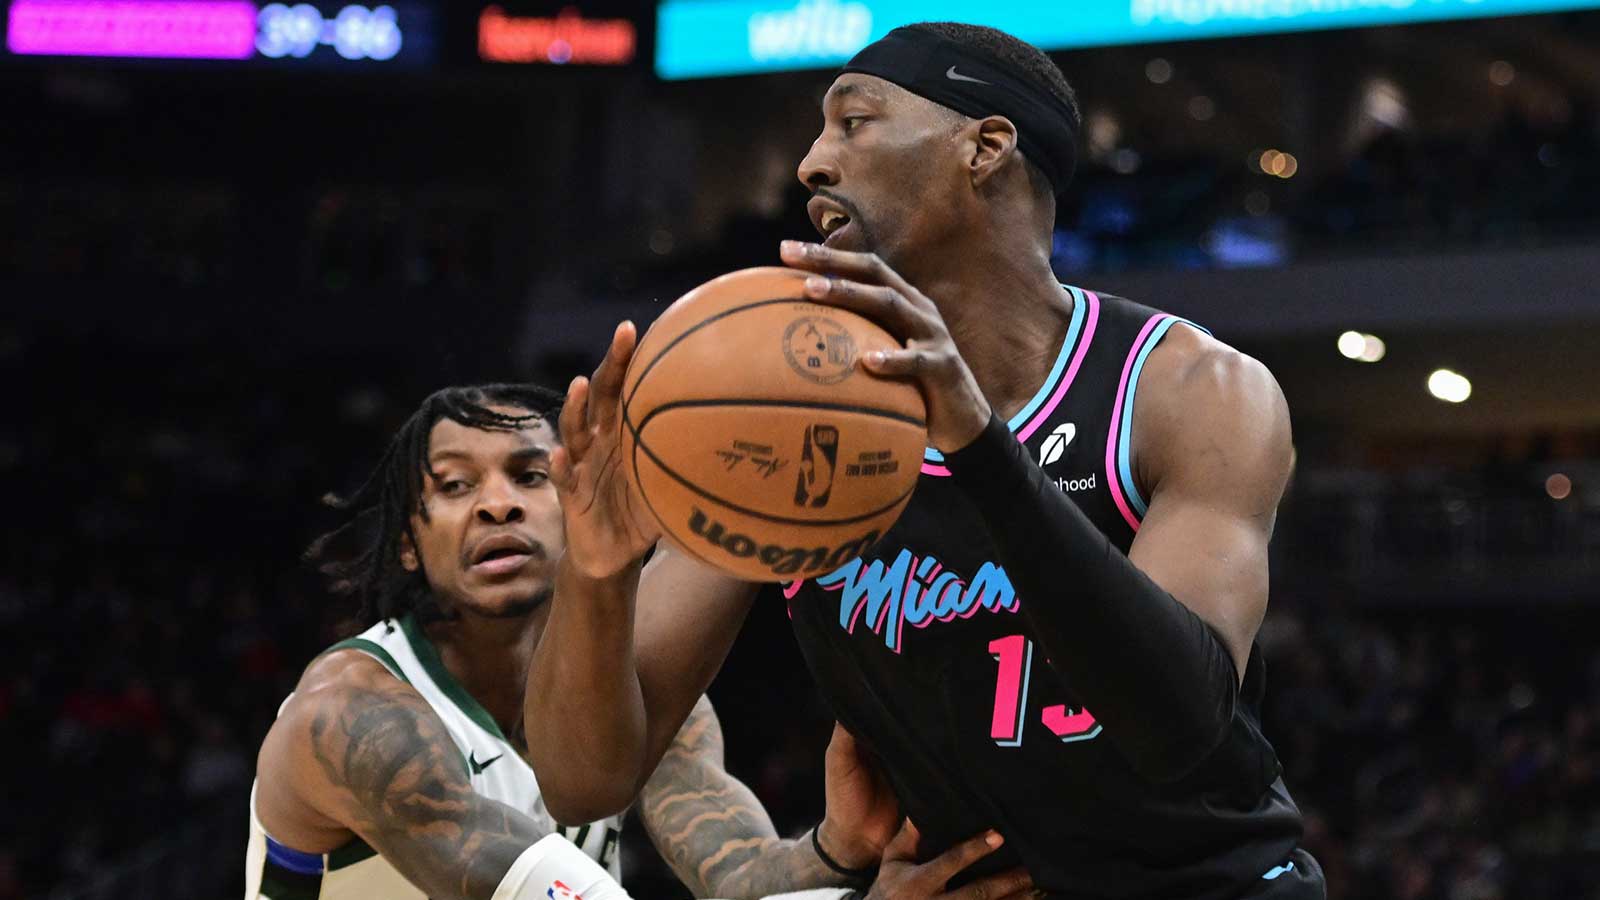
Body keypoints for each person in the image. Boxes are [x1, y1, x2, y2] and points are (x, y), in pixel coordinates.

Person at [528, 21, 1326, 900]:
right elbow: (584, 782)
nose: (811, 164)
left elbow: (1180, 731)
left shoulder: (1188, 390)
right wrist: (597, 573)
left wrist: (981, 447)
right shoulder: (787, 410)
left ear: (985, 147)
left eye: (854, 122)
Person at [246, 383, 1032, 900]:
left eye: (530, 475)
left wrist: (835, 850)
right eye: (455, 486)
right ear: (408, 545)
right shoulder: (351, 718)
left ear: (580, 501)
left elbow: (736, 874)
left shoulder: (624, 693)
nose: (497, 505)